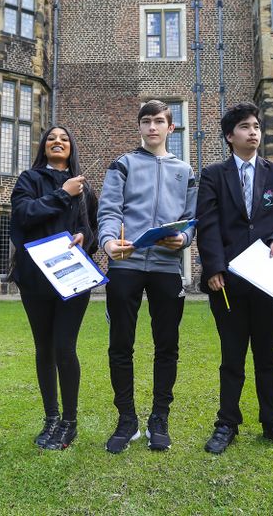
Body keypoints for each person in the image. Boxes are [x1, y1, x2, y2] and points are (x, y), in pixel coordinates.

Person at [196, 101, 273, 454]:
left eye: (256, 126)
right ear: (230, 136)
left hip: (268, 283)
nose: (253, 132)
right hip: (227, 284)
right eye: (245, 126)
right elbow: (208, 224)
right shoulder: (214, 175)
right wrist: (213, 268)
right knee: (232, 357)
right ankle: (227, 423)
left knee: (268, 356)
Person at [97, 100, 197, 453]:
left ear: (171, 128)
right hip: (125, 265)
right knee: (121, 344)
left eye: (159, 121)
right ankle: (127, 420)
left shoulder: (185, 170)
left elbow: (190, 219)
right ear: (139, 127)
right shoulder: (122, 164)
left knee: (166, 346)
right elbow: (109, 209)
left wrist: (183, 239)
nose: (152, 127)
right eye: (146, 121)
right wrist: (108, 243)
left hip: (167, 268)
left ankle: (159, 419)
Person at [9, 126, 98, 451]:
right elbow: (23, 216)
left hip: (72, 277)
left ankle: (69, 422)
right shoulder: (29, 180)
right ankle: (51, 418)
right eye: (51, 139)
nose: (57, 142)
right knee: (44, 348)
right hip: (35, 278)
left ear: (71, 148)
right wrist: (64, 193)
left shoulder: (84, 188)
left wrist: (83, 239)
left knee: (64, 348)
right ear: (44, 147)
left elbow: (92, 231)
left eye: (64, 139)